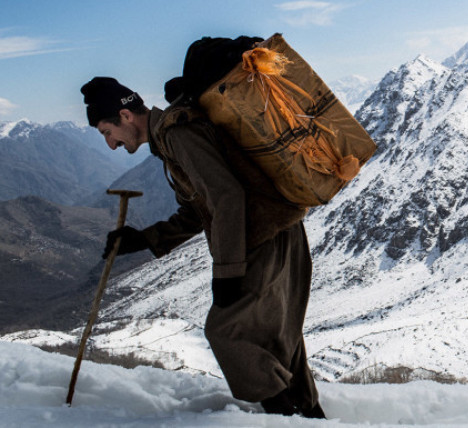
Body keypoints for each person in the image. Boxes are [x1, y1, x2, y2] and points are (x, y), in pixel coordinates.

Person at [79, 38, 326, 419]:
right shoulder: (172, 136)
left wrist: (227, 273)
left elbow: (226, 197)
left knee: (228, 332)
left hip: (262, 237)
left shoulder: (177, 133)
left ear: (125, 117)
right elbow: (200, 210)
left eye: (105, 132)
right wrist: (144, 240)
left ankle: (285, 418)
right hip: (279, 229)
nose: (110, 145)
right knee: (281, 339)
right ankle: (310, 417)